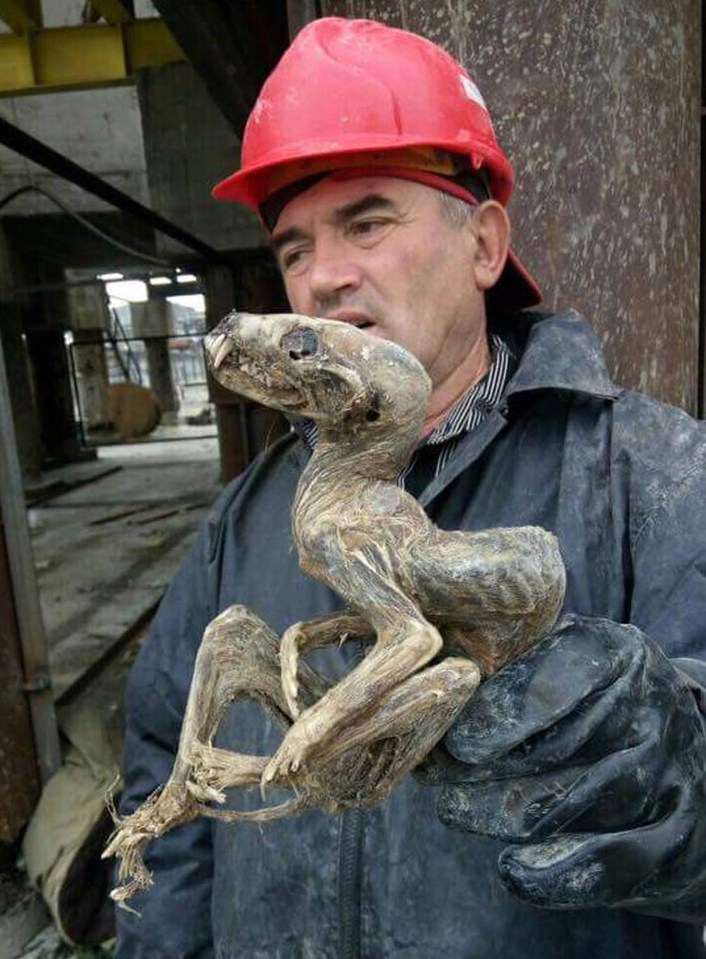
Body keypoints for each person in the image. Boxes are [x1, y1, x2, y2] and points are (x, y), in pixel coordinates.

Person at [116, 17, 706, 959]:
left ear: (483, 245)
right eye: (295, 248)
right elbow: (164, 771)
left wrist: (673, 769)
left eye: (368, 221)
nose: (323, 278)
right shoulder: (255, 511)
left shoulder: (653, 476)